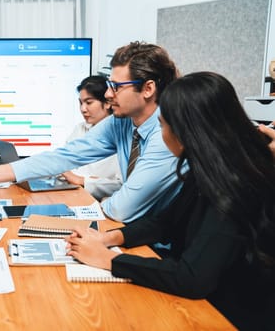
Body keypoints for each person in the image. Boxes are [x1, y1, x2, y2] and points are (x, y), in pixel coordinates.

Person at [66, 72, 275, 330]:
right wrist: (109, 239)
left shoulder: (235, 184)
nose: (162, 135)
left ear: (190, 132)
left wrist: (108, 260)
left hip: (227, 315)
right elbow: (166, 222)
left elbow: (193, 277)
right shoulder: (209, 170)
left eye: (163, 125)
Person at [0, 41, 182, 222]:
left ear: (148, 89)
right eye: (109, 85)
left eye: (117, 86)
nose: (107, 94)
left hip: (162, 249)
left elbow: (124, 208)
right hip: (128, 230)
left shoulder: (167, 135)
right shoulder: (122, 122)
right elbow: (66, 155)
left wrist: (103, 203)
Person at [60, 75, 122, 200]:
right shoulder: (80, 128)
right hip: (72, 194)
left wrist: (82, 180)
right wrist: (91, 179)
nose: (83, 109)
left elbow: (120, 185)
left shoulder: (122, 135)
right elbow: (64, 166)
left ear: (107, 103)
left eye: (89, 103)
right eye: (81, 103)